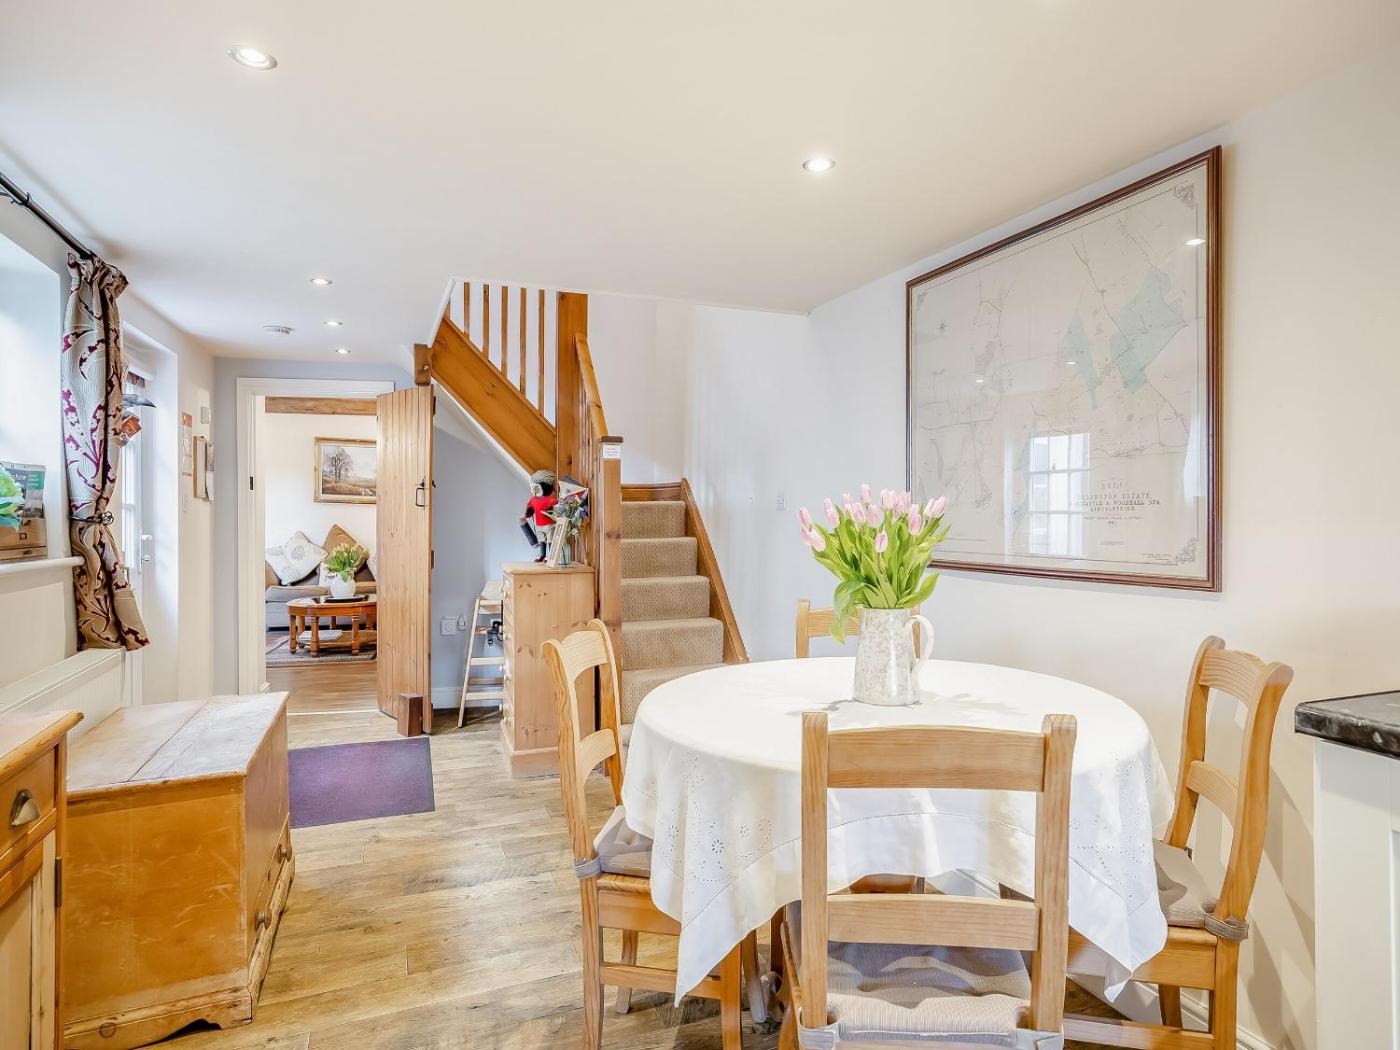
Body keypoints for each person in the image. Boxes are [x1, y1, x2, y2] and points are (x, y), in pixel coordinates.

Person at [520, 469, 558, 563]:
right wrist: (526, 516)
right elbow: (530, 509)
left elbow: (555, 508)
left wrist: (552, 511)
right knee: (541, 541)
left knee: (550, 540)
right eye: (533, 487)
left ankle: (550, 555)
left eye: (536, 488)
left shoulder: (551, 500)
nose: (534, 490)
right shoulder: (533, 499)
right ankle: (542, 554)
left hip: (550, 525)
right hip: (539, 526)